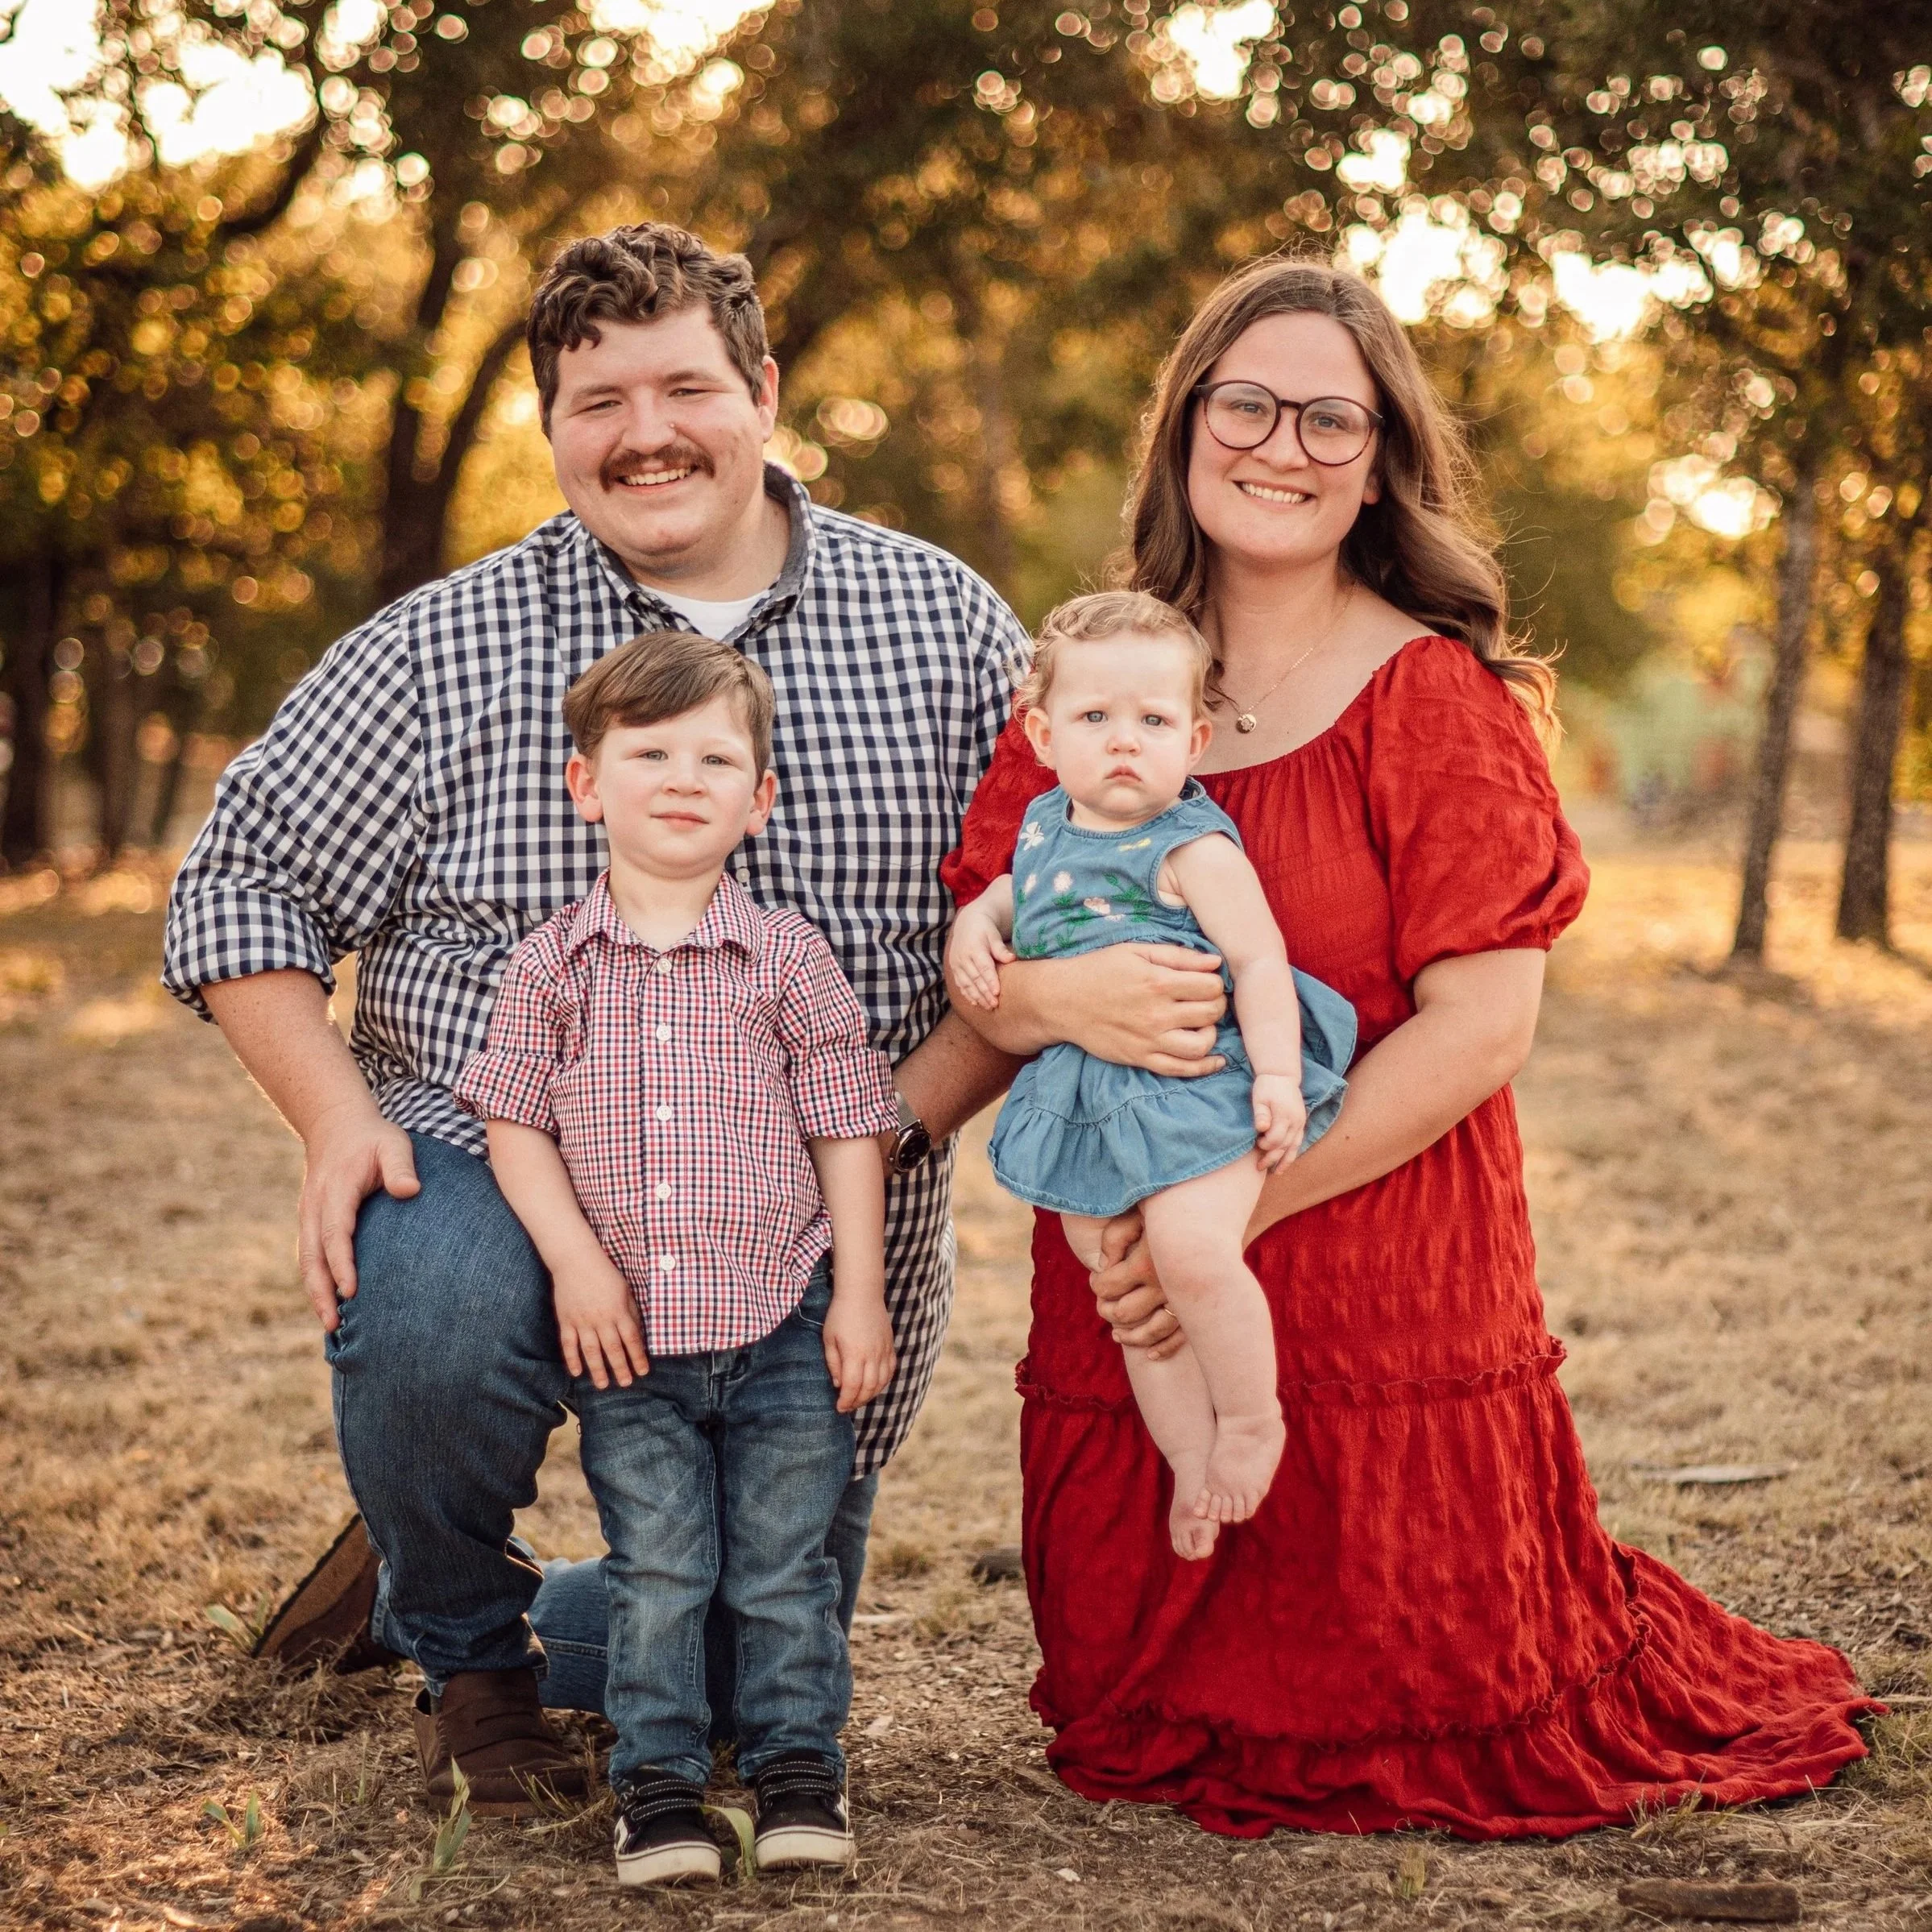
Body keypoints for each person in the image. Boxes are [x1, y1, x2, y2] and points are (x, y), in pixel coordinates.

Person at [162, 222, 1106, 1808]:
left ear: (763, 392)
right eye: (597, 400)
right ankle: (471, 1656)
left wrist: (874, 1132)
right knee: (435, 1309)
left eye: (683, 385)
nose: (644, 430)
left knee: (742, 1675)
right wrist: (334, 1117)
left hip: (805, 1209)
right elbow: (240, 877)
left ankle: (427, 1574)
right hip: (495, 1147)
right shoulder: (439, 648)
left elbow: (1044, 913)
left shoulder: (940, 628)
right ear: (552, 428)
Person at [940, 255, 1878, 1838]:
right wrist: (1028, 1001)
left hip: (1363, 1240)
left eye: (1329, 418)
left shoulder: (1426, 694)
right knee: (1121, 1715)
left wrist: (1237, 1210)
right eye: (1246, 404)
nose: (1281, 445)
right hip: (1125, 1255)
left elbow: (1482, 1024)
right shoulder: (1100, 680)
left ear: (1377, 461)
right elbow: (998, 936)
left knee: (1411, 1699)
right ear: (1183, 428)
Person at [456, 632, 894, 1883]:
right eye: (650, 750)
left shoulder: (789, 956)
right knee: (659, 1566)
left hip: (781, 1325)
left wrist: (857, 1295)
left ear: (760, 799)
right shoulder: (552, 961)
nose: (683, 774)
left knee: (779, 1565)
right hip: (630, 1338)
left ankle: (798, 1769)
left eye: (717, 754)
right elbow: (514, 1122)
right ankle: (656, 1792)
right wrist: (577, 1265)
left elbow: (848, 1126)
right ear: (585, 781)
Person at [947, 590, 1353, 1559]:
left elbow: (1258, 958)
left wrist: (1277, 1079)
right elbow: (1015, 894)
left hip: (1192, 1085)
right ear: (1042, 734)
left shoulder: (1191, 847)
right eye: (1095, 718)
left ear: (1195, 738)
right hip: (1086, 1100)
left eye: (1154, 721)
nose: (1125, 742)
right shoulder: (1046, 823)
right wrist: (976, 925)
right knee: (1125, 1295)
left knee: (1191, 1254)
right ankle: (1190, 1461)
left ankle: (1251, 1420)